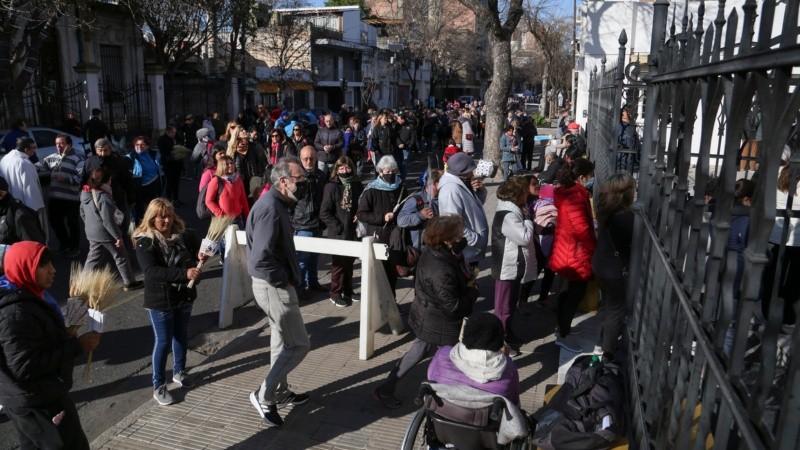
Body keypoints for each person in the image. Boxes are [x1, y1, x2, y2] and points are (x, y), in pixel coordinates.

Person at [0, 241, 101, 449]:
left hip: (28, 398)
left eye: (51, 264)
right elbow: (24, 365)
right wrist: (77, 346)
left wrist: (69, 325)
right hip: (40, 402)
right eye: (43, 265)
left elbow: (39, 340)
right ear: (24, 268)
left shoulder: (30, 295)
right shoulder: (16, 313)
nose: (53, 270)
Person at [373, 214, 477, 408]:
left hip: (430, 316)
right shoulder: (441, 268)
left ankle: (386, 389)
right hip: (437, 322)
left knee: (420, 353)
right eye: (458, 235)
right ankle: (445, 400)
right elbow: (453, 306)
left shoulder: (433, 251)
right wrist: (472, 292)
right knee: (444, 358)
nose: (461, 238)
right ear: (446, 238)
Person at [246, 156, 311, 427]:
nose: (304, 184)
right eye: (300, 180)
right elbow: (260, 258)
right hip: (274, 287)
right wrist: (284, 280)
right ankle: (265, 395)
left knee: (281, 343)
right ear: (283, 182)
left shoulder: (276, 204)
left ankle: (280, 392)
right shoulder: (271, 209)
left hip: (273, 285)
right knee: (299, 345)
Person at [133, 199, 204, 406]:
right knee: (163, 343)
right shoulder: (145, 241)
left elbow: (198, 252)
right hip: (160, 301)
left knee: (181, 336)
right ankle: (159, 386)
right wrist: (185, 273)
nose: (166, 220)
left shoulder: (183, 236)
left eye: (169, 215)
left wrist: (200, 257)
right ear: (152, 218)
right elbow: (152, 271)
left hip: (184, 296)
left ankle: (179, 372)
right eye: (161, 216)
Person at [549, 158, 596, 353]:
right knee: (574, 294)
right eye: (590, 176)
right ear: (582, 177)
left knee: (568, 292)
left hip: (566, 249)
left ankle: (562, 327)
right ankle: (563, 332)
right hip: (575, 253)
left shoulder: (569, 193)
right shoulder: (575, 196)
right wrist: (595, 248)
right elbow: (582, 229)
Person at [427, 312, 520, 405]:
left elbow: (430, 378)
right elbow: (513, 402)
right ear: (499, 341)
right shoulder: (509, 370)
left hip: (444, 411)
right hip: (485, 417)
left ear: (465, 333)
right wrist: (506, 359)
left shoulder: (442, 354)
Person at [491, 177, 538, 356]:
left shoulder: (512, 209)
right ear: (517, 194)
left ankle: (508, 335)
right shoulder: (508, 215)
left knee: (510, 306)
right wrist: (528, 218)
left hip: (513, 266)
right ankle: (499, 345)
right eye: (525, 191)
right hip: (506, 268)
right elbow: (524, 238)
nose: (527, 194)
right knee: (502, 309)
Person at [591, 173, 635, 360]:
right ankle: (608, 352)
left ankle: (599, 344)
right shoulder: (627, 217)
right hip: (615, 269)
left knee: (605, 305)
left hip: (600, 263)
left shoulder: (605, 211)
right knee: (615, 309)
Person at [80, 167, 142, 291]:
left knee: (93, 259)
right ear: (108, 181)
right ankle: (129, 282)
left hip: (92, 232)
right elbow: (108, 221)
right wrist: (118, 236)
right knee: (121, 256)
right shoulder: (104, 197)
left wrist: (91, 226)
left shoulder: (85, 193)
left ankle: (82, 283)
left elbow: (82, 213)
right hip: (106, 233)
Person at [356, 155, 405, 297]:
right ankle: (378, 301)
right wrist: (382, 218)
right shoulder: (371, 190)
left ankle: (392, 301)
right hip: (379, 234)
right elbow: (362, 214)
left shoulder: (400, 186)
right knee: (379, 271)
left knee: (393, 270)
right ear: (380, 172)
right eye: (387, 171)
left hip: (395, 235)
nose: (390, 174)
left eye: (392, 171)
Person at [320, 156, 364, 307]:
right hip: (338, 232)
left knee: (349, 263)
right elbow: (324, 212)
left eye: (347, 168)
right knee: (338, 264)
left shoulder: (357, 184)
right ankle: (335, 292)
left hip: (352, 231)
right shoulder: (331, 187)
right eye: (341, 169)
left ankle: (348, 290)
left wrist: (360, 214)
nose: (345, 171)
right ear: (336, 170)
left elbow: (362, 203)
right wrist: (338, 227)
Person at [437, 152, 489, 270]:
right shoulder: (451, 190)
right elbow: (451, 224)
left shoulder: (461, 184)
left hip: (471, 251)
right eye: (469, 171)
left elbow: (474, 207)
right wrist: (475, 240)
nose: (472, 173)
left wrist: (481, 191)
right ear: (461, 171)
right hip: (467, 250)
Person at [37, 134, 84, 256]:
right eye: (57, 143)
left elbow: (82, 177)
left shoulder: (77, 158)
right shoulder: (52, 158)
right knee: (54, 221)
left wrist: (66, 178)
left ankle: (75, 247)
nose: (59, 146)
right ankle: (64, 244)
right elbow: (38, 166)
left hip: (71, 198)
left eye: (62, 143)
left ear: (69, 144)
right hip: (55, 197)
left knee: (72, 223)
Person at [293, 147, 327, 296]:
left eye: (311, 158)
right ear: (300, 159)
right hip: (303, 224)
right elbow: (289, 202)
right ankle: (299, 288)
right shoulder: (296, 178)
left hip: (318, 223)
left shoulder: (321, 175)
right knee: (302, 259)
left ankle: (312, 282)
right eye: (305, 159)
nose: (309, 161)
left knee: (314, 257)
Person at [0, 137, 46, 236]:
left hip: (8, 207)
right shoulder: (25, 163)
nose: (35, 150)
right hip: (25, 209)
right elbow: (31, 189)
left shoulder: (4, 159)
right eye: (33, 147)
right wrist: (36, 209)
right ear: (26, 149)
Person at [397, 169, 441, 248]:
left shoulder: (444, 197)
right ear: (434, 184)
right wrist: (420, 216)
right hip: (421, 250)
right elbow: (401, 220)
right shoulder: (415, 200)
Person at [205, 155, 250, 227]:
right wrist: (221, 214)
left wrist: (248, 216)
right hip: (223, 220)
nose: (230, 165)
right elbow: (209, 201)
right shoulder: (216, 181)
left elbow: (243, 199)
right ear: (221, 166)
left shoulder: (238, 180)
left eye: (232, 163)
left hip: (238, 218)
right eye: (227, 164)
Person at [128, 136, 164, 224]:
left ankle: (154, 228)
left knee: (155, 210)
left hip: (154, 186)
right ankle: (140, 232)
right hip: (140, 189)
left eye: (142, 144)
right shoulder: (129, 158)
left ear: (147, 146)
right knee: (140, 212)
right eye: (137, 144)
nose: (139, 146)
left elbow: (160, 168)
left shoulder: (154, 154)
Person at [157, 126, 183, 205]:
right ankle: (169, 200)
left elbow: (181, 144)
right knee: (170, 182)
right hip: (168, 164)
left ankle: (176, 198)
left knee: (176, 182)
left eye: (175, 132)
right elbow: (164, 150)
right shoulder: (162, 139)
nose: (174, 134)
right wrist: (174, 149)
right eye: (172, 132)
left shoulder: (176, 137)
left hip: (177, 163)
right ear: (167, 132)